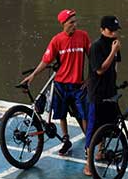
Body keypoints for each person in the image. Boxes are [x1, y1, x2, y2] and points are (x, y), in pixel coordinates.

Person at [20, 9, 91, 155]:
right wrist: (32, 75)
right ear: (63, 24)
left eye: (75, 22)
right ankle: (66, 140)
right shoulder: (57, 40)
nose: (74, 25)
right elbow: (46, 61)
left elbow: (92, 58)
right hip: (60, 84)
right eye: (71, 22)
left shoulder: (83, 36)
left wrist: (90, 78)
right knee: (61, 114)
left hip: (78, 85)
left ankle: (88, 145)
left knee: (84, 115)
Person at [83, 15, 122, 175]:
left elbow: (116, 66)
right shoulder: (96, 47)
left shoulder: (115, 45)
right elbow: (100, 69)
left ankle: (101, 151)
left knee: (109, 124)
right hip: (97, 94)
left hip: (110, 91)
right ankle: (88, 164)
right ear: (102, 30)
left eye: (116, 30)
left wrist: (114, 84)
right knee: (93, 128)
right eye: (111, 30)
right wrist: (113, 51)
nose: (114, 33)